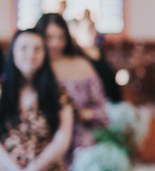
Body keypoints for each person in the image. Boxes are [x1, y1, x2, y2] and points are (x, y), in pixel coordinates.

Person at [0, 30, 74, 171]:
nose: (31, 54)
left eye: (37, 49)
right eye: (24, 48)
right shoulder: (1, 92)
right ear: (13, 52)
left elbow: (63, 137)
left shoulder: (58, 94)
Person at [33, 13, 107, 152]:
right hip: (42, 147)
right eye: (49, 37)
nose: (56, 43)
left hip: (79, 146)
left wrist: (80, 114)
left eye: (61, 37)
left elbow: (103, 112)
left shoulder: (82, 65)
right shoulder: (32, 69)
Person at [72, 9, 122, 103]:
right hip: (94, 103)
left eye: (93, 28)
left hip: (111, 100)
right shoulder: (78, 56)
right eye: (87, 29)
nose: (92, 33)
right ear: (78, 32)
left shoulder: (101, 52)